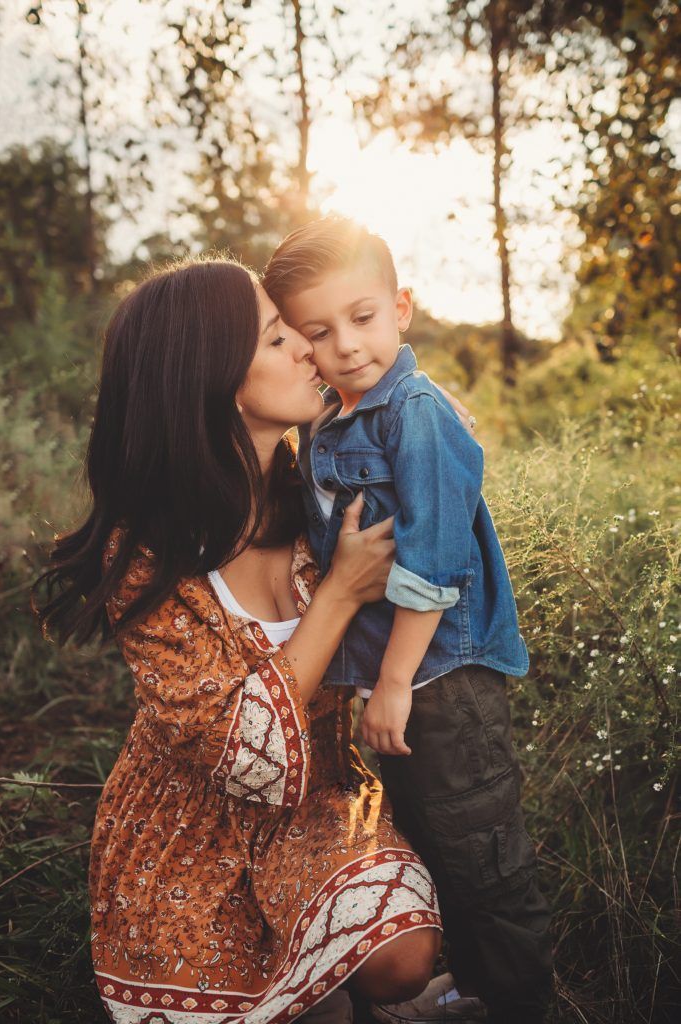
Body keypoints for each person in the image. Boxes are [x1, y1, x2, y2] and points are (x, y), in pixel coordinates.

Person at [35, 258, 445, 1024]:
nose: (305, 347)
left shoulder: (327, 492)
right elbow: (237, 751)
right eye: (275, 337)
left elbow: (442, 522)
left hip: (319, 800)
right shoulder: (148, 555)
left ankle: (343, 984)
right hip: (186, 833)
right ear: (212, 378)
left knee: (399, 957)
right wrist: (338, 595)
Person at [263, 216, 554, 1024]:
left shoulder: (412, 412)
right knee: (436, 840)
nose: (347, 345)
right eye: (318, 332)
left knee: (482, 856)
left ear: (402, 306)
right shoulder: (332, 415)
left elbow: (433, 562)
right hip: (398, 675)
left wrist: (391, 683)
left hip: (438, 677)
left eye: (362, 317)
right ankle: (472, 991)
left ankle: (521, 1003)